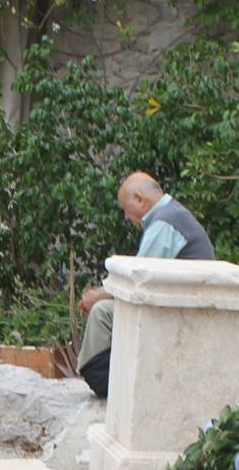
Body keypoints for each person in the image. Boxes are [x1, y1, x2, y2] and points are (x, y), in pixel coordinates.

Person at [76, 171, 215, 398]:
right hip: (181, 306)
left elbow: (137, 281)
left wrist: (96, 296)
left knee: (102, 311)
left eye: (125, 208)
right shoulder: (174, 214)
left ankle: (103, 381)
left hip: (178, 315)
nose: (125, 216)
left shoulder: (164, 224)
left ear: (139, 199)